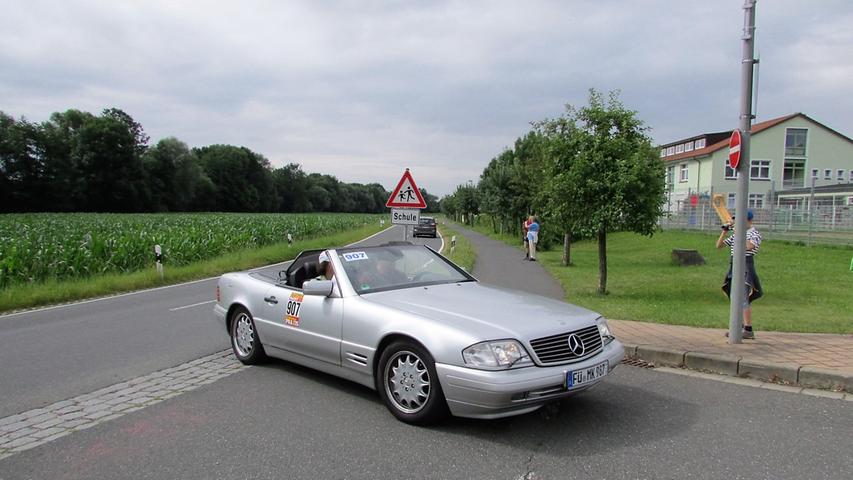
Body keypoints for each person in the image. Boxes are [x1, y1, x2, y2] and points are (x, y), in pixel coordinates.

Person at [716, 210, 763, 339]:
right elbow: (719, 246)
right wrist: (724, 231)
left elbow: (749, 246)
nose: (737, 222)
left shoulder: (754, 233)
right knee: (735, 297)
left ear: (748, 220)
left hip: (745, 265)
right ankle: (739, 326)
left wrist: (738, 233)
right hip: (734, 265)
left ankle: (748, 328)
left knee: (743, 297)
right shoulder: (737, 235)